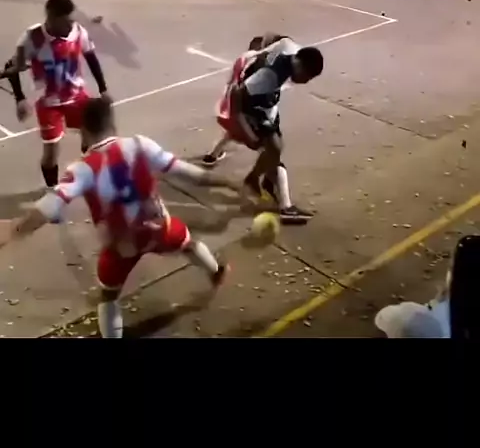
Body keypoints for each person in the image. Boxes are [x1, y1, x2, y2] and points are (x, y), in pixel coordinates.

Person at [8, 98, 237, 338]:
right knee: (188, 243)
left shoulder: (82, 169)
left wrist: (16, 230)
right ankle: (216, 273)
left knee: (109, 296)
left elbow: (50, 205)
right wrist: (228, 183)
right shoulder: (140, 145)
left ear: (84, 132)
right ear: (112, 124)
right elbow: (191, 174)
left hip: (121, 246)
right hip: (159, 230)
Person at [1, 0, 110, 191]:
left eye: (72, 20)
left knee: (93, 136)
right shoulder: (32, 38)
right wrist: (20, 99)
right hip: (49, 103)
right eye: (66, 21)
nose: (71, 25)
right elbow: (12, 67)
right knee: (51, 153)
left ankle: (89, 174)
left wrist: (103, 89)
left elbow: (91, 57)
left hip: (76, 95)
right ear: (51, 19)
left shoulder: (78, 31)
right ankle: (53, 190)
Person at [228, 38, 324, 224]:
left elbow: (278, 39)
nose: (306, 81)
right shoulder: (268, 78)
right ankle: (257, 183)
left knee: (274, 151)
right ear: (299, 64)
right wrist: (246, 129)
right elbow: (237, 94)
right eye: (307, 76)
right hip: (253, 107)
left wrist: (259, 51)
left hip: (267, 103)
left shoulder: (290, 48)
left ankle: (265, 182)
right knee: (275, 148)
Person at [202, 33, 285, 167]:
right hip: (254, 108)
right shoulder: (265, 66)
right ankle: (270, 165)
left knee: (233, 131)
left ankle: (213, 154)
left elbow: (232, 81)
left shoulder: (243, 59)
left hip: (235, 102)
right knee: (262, 140)